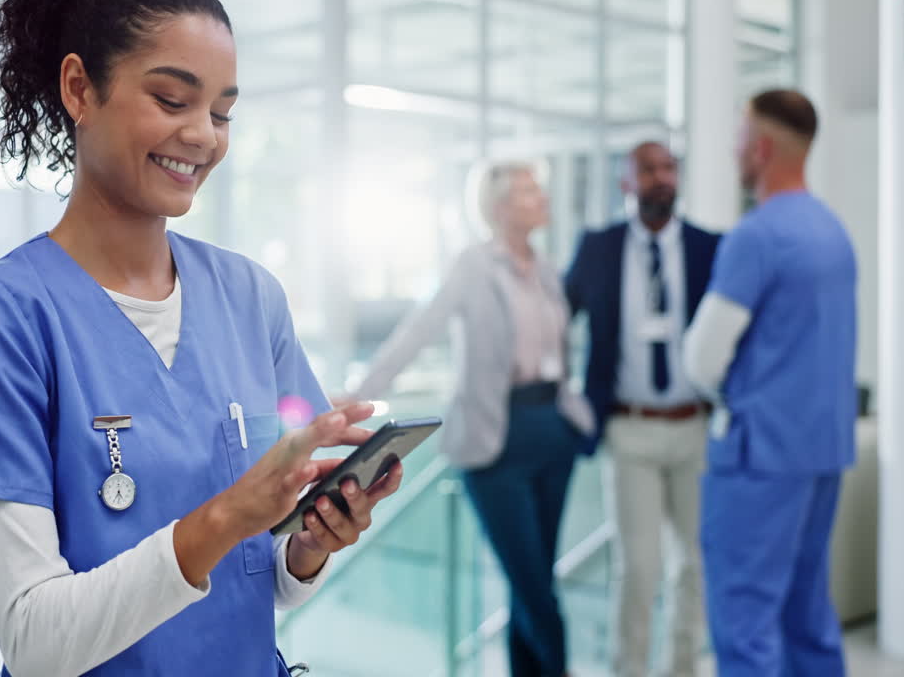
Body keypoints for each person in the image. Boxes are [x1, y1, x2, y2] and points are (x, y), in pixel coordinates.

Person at [0, 0, 403, 675]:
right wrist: (225, 516)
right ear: (80, 88)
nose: (204, 135)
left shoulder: (251, 298)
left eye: (222, 112)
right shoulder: (5, 318)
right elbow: (35, 641)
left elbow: (257, 575)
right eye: (173, 99)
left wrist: (305, 547)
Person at [344, 161, 594, 677]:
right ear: (499, 206)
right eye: (527, 191)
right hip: (494, 439)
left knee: (533, 581)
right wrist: (360, 396)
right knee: (535, 588)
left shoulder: (547, 269)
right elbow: (418, 332)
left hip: (552, 429)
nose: (540, 196)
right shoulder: (472, 267)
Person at [683, 89, 856, 677]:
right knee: (808, 619)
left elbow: (702, 359)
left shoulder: (756, 238)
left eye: (738, 138)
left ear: (759, 149)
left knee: (745, 626)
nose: (733, 150)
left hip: (759, 461)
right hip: (821, 453)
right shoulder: (832, 232)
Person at [565, 142, 720, 677]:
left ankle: (683, 668)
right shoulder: (599, 247)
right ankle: (628, 670)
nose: (661, 178)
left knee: (696, 565)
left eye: (669, 168)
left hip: (693, 425)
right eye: (648, 170)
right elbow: (554, 319)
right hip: (629, 429)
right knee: (639, 569)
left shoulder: (709, 247)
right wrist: (569, 397)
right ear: (625, 184)